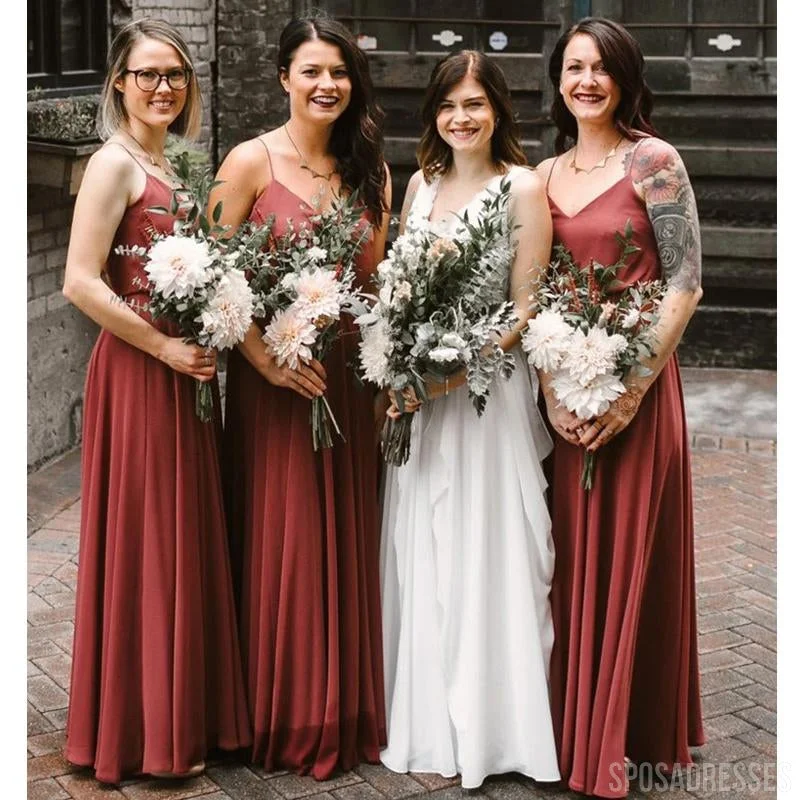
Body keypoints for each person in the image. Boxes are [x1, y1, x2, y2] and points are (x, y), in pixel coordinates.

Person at [61, 18, 251, 784]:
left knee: (178, 535)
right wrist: (165, 345)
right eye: (148, 75)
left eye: (175, 74)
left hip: (185, 369)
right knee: (148, 538)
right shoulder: (112, 165)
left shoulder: (171, 159)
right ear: (119, 83)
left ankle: (180, 713)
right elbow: (79, 280)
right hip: (143, 369)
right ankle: (143, 732)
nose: (164, 86)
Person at [211, 13, 391, 780]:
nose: (327, 85)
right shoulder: (249, 162)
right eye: (312, 71)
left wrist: (386, 379)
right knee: (285, 538)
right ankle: (282, 715)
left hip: (346, 381)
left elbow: (378, 286)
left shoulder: (371, 169)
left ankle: (341, 711)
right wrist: (266, 360)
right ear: (283, 76)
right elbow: (215, 280)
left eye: (340, 72)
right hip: (275, 384)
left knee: (344, 534)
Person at [379, 50, 560, 789]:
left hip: (486, 395)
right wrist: (402, 363)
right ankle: (427, 722)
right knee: (423, 543)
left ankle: (494, 730)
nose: (462, 117)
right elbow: (398, 289)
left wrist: (455, 367)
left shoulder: (523, 187)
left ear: (499, 113)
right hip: (423, 401)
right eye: (450, 104)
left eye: (476, 105)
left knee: (488, 546)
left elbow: (526, 305)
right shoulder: (420, 185)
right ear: (433, 114)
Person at [535, 17, 706, 798]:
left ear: (624, 76)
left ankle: (629, 730)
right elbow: (532, 294)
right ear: (558, 79)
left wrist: (632, 385)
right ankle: (574, 725)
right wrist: (548, 390)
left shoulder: (654, 161)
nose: (587, 81)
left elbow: (685, 282)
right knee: (571, 557)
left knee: (632, 550)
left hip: (637, 386)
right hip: (567, 390)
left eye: (602, 68)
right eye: (574, 67)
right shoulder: (542, 176)